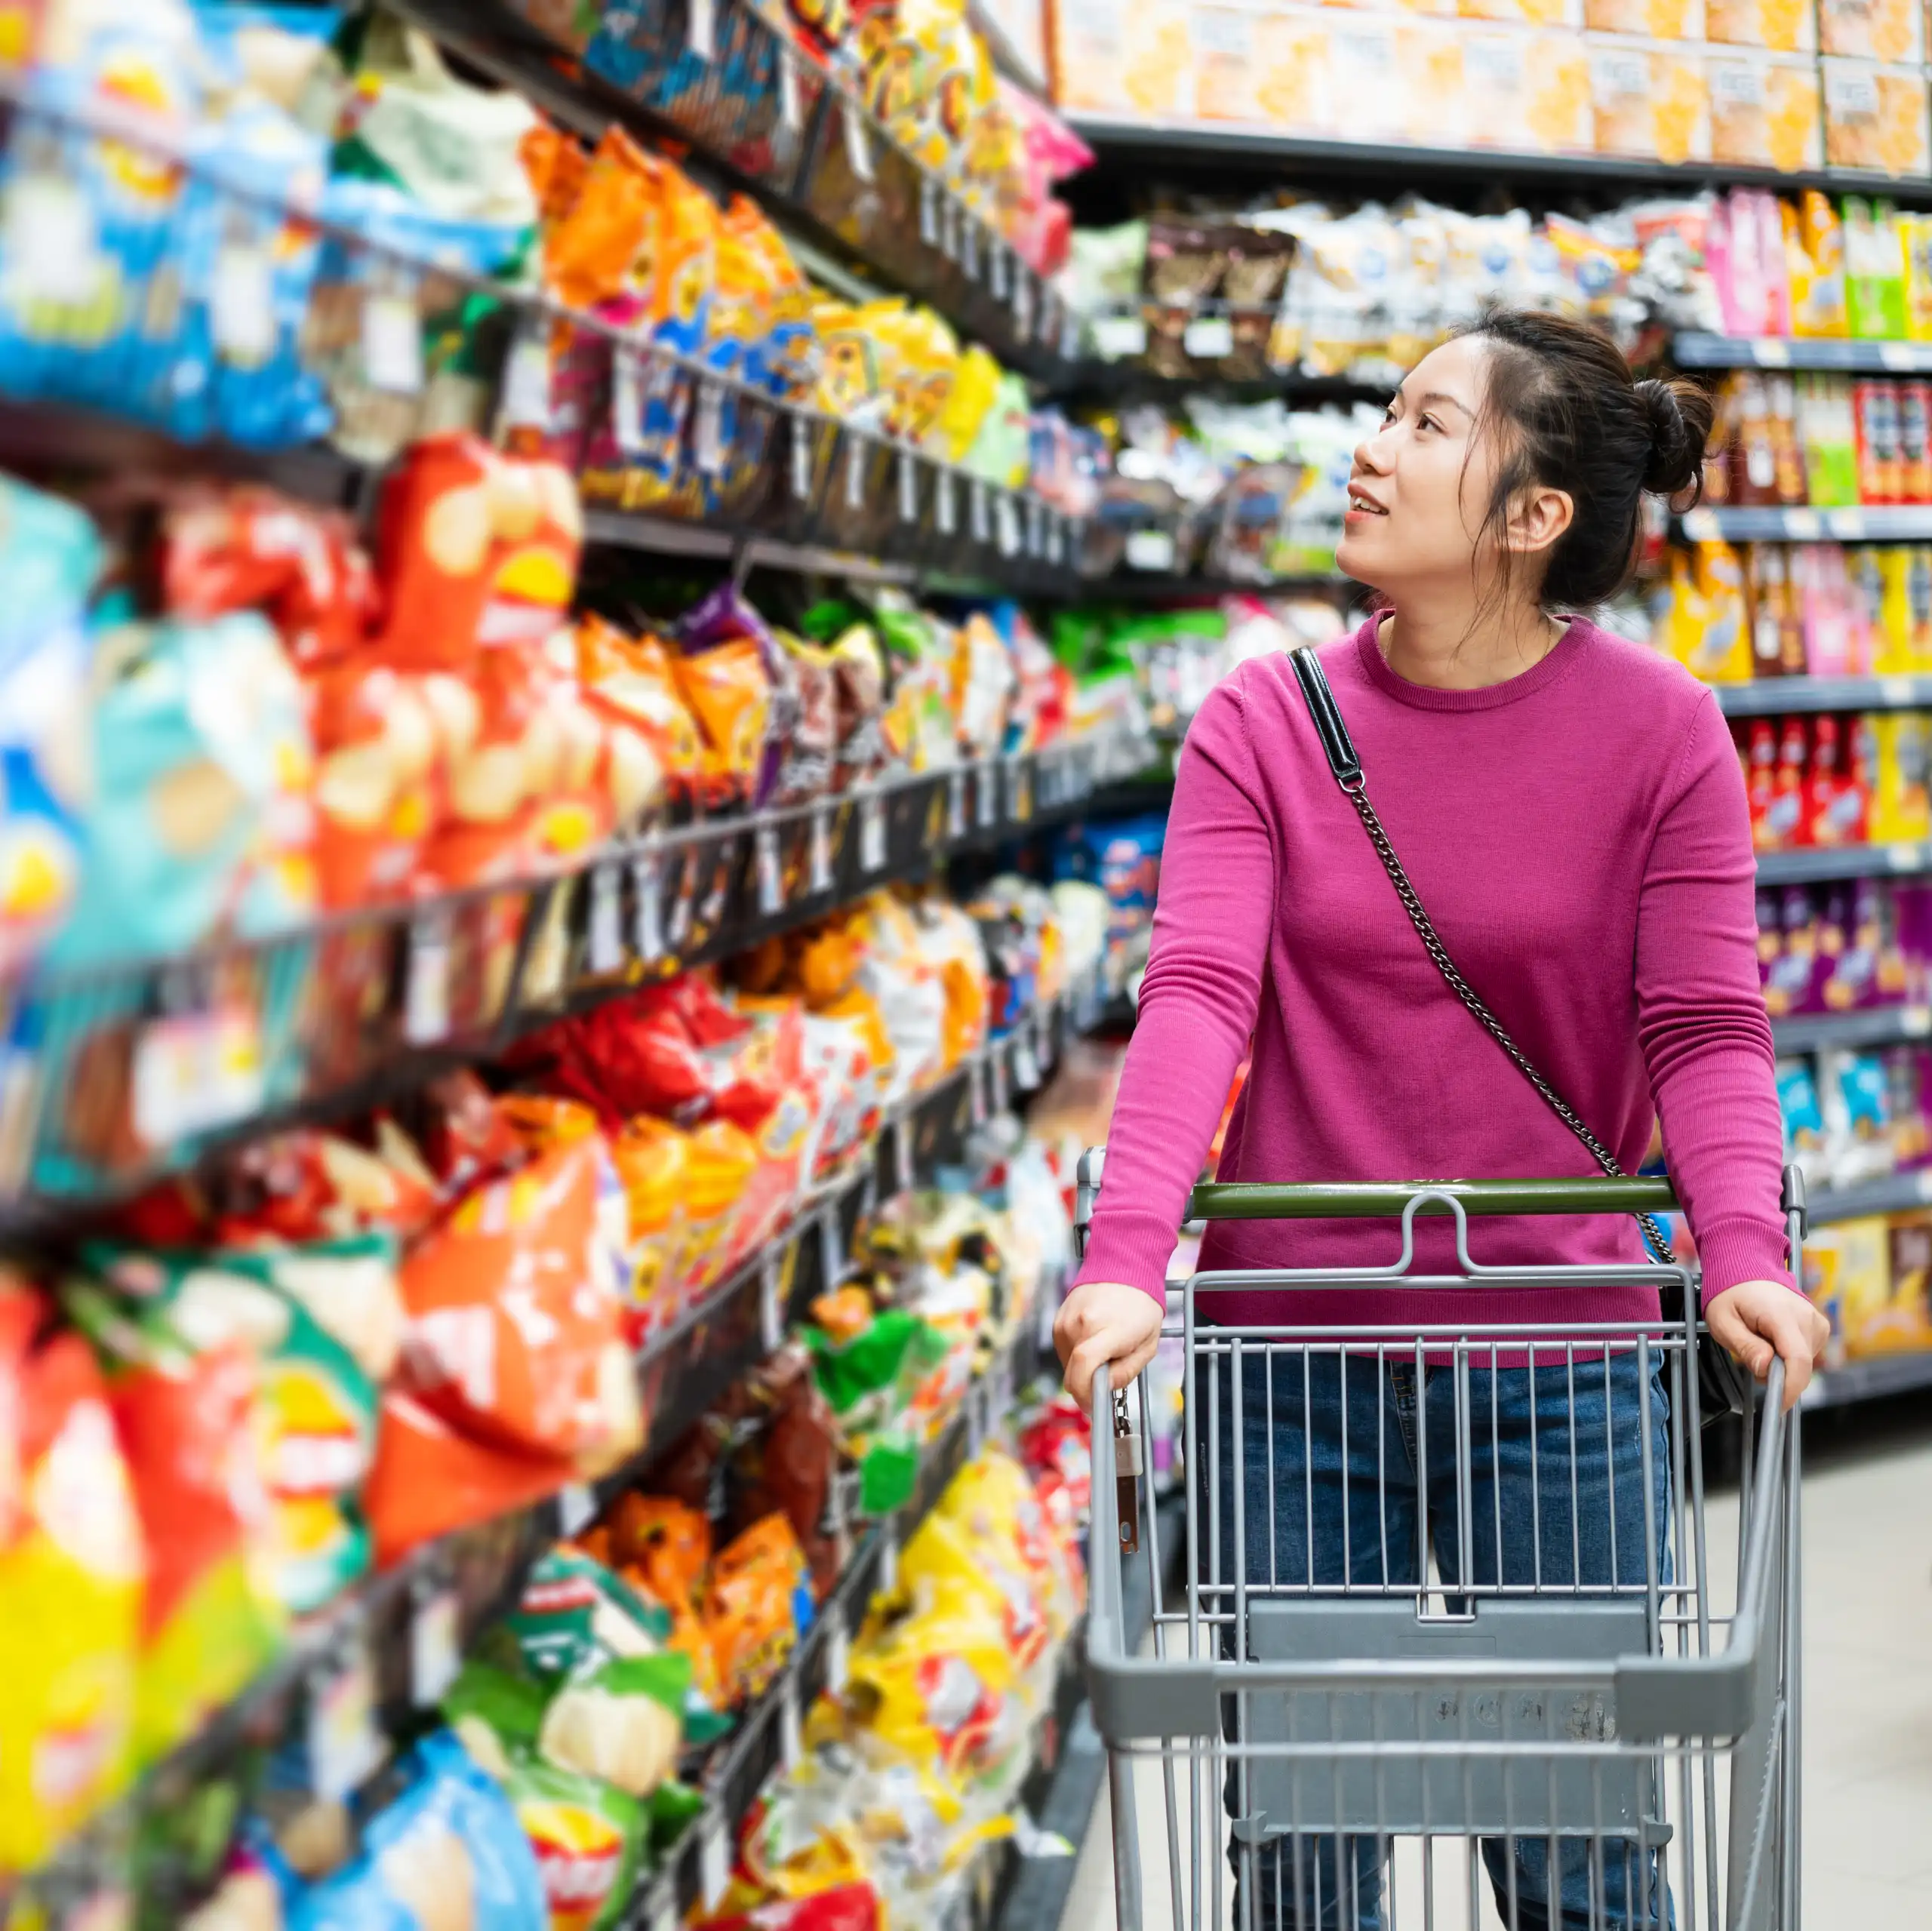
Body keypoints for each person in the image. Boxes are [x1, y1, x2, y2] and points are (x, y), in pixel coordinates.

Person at [1054, 311, 1829, 1931]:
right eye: (1379, 415)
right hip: (1295, 1365)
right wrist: (1126, 1256)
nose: (1365, 449)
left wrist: (1740, 1251)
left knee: (1574, 1844)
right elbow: (1198, 991)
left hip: (1562, 1359)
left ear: (1530, 516)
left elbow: (1696, 1024)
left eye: (1420, 425)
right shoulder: (1258, 725)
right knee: (1301, 1847)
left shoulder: (1661, 735)